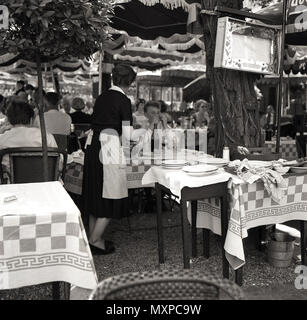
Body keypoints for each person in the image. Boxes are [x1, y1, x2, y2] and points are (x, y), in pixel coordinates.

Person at [82, 64, 147, 255]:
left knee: (95, 191)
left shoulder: (101, 97)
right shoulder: (124, 100)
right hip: (108, 146)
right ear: (130, 82)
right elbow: (129, 135)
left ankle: (93, 238)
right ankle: (95, 240)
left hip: (92, 145)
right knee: (111, 191)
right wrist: (145, 131)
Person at [0, 100, 57, 175]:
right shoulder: (46, 137)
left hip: (11, 184)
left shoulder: (2, 139)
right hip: (45, 182)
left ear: (9, 120)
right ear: (31, 119)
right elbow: (59, 165)